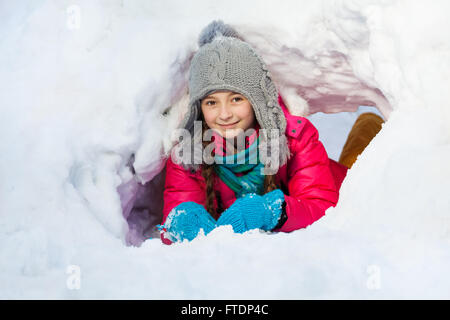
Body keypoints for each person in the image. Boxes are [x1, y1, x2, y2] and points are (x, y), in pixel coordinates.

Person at [158, 20, 383, 244]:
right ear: (199, 107)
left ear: (255, 99)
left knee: (359, 161)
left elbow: (321, 206)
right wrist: (181, 222)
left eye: (236, 99)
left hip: (343, 186)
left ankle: (369, 119)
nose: (224, 114)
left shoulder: (295, 136)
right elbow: (174, 217)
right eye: (211, 102)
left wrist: (271, 211)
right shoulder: (189, 152)